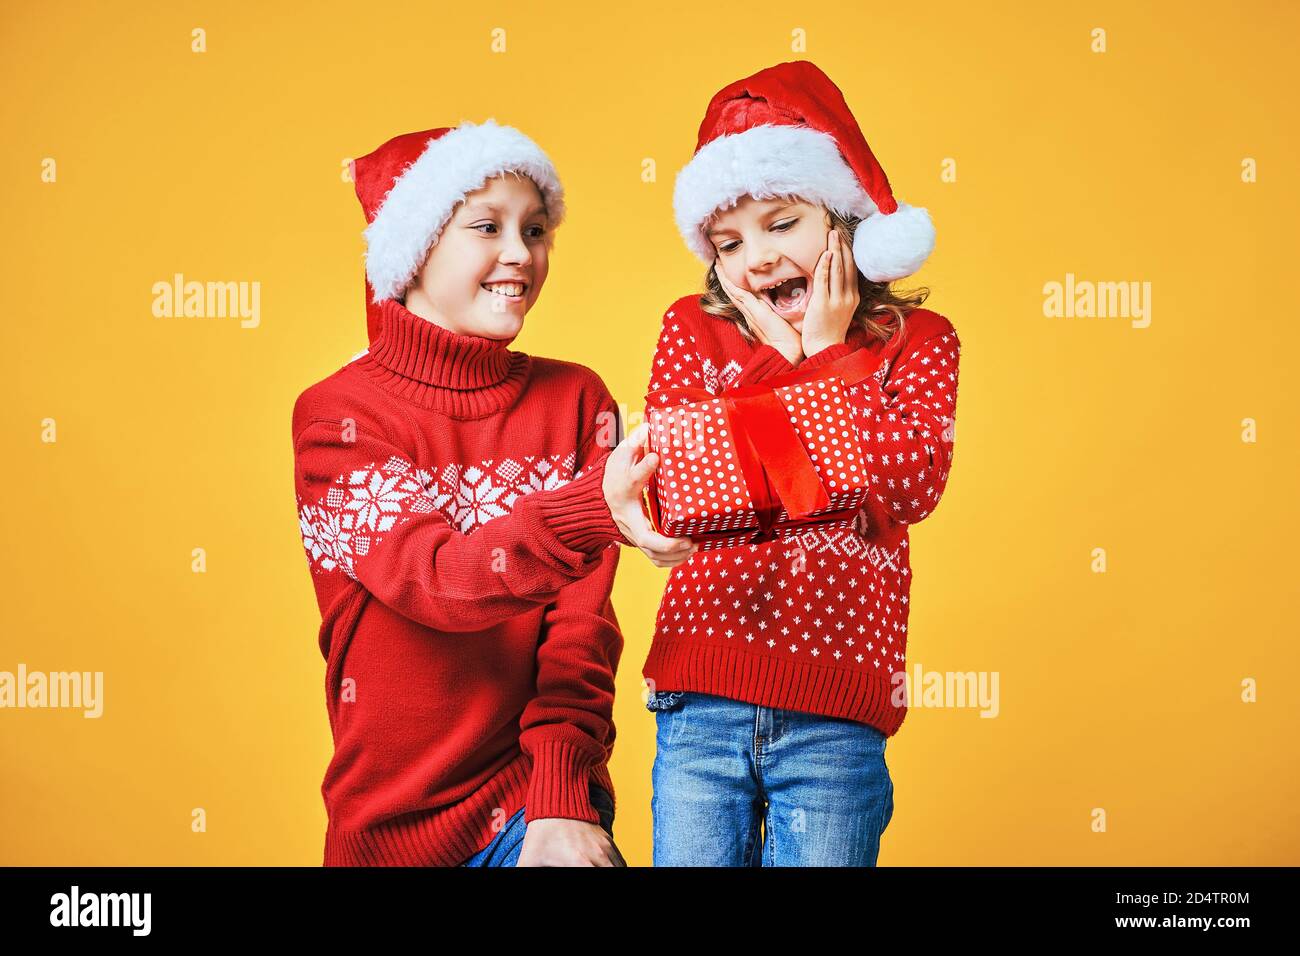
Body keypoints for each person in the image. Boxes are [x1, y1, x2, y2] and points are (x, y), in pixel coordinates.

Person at [292, 120, 694, 867]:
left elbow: (580, 633)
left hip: (533, 806)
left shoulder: (578, 401)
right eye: (488, 226)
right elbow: (439, 582)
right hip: (389, 828)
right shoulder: (338, 419)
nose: (522, 253)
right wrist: (592, 510)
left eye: (535, 228)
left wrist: (562, 800)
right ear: (412, 252)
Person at [642, 60, 962, 866]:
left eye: (782, 224)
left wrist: (821, 357)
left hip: (835, 711)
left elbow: (908, 486)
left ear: (845, 219)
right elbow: (687, 497)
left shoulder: (919, 343)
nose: (755, 258)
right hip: (700, 695)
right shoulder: (692, 329)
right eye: (729, 242)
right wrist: (782, 373)